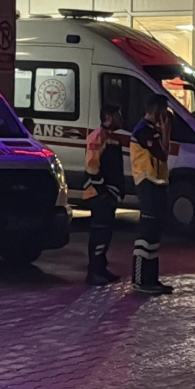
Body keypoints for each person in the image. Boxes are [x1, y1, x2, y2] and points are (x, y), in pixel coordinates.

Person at [128, 94, 175, 295]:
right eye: (163, 111)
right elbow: (162, 154)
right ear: (156, 110)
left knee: (155, 234)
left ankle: (152, 279)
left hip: (158, 184)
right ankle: (139, 280)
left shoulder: (153, 130)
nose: (166, 115)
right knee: (146, 233)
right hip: (146, 184)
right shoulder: (142, 131)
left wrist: (164, 132)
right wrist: (165, 132)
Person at [82, 103, 124, 286]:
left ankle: (101, 268)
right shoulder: (98, 137)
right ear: (108, 117)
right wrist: (103, 191)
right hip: (99, 194)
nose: (121, 118)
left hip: (108, 194)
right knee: (99, 232)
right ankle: (93, 272)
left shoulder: (111, 138)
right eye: (117, 115)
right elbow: (92, 167)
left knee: (106, 233)